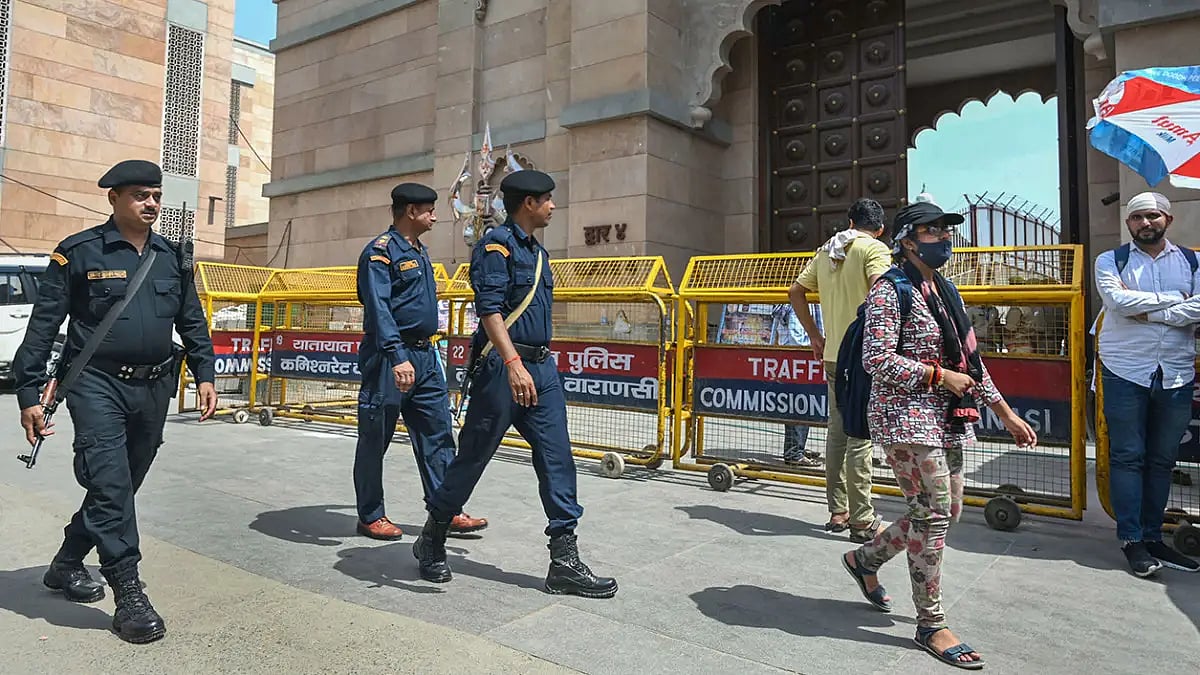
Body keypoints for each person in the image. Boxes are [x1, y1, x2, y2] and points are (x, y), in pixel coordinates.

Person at [13, 159, 219, 644]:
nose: (151, 204)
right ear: (114, 199)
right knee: (110, 484)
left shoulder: (173, 257)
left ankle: (65, 564)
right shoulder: (79, 253)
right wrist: (29, 394)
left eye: (156, 196)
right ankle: (128, 590)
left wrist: (205, 373)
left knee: (123, 485)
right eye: (140, 195)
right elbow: (43, 327)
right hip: (95, 385)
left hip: (153, 386)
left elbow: (191, 320)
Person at [840, 201, 1037, 670]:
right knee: (932, 516)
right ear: (907, 241)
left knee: (944, 510)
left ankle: (865, 560)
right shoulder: (890, 290)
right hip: (904, 415)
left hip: (947, 416)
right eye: (931, 231)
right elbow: (877, 360)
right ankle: (931, 622)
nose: (942, 239)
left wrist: (1004, 412)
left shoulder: (946, 290)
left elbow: (971, 363)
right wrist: (936, 376)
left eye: (945, 231)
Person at [411, 169, 618, 599]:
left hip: (541, 369)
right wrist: (511, 362)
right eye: (548, 200)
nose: (553, 206)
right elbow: (488, 310)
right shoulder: (494, 247)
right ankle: (433, 536)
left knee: (558, 458)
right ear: (528, 203)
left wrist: (532, 366)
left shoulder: (537, 251)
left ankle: (563, 561)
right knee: (472, 458)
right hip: (504, 370)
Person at [354, 182, 488, 540]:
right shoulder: (380, 253)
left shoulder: (420, 250)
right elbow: (379, 310)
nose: (435, 215)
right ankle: (370, 515)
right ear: (411, 211)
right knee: (374, 437)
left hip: (426, 356)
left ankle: (446, 508)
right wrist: (397, 356)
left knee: (438, 434)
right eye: (429, 210)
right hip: (390, 357)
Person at [1094, 191, 1200, 577]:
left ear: (1167, 220)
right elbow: (1118, 303)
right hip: (1125, 370)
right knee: (1127, 456)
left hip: (1175, 372)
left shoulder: (1192, 261)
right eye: (1137, 218)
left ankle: (1155, 537)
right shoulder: (1110, 260)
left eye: (1152, 216)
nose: (1144, 223)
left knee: (1161, 460)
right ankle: (1132, 540)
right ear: (1128, 224)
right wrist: (1175, 301)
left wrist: (1151, 313)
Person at [790, 198, 892, 541]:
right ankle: (862, 518)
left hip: (834, 353)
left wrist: (815, 336)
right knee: (860, 435)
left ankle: (838, 511)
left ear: (850, 221)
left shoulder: (827, 249)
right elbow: (881, 290)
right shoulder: (874, 248)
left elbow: (796, 291)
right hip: (863, 356)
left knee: (837, 432)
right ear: (879, 228)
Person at [771, 303, 818, 466]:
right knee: (799, 406)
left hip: (794, 360)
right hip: (799, 360)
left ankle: (798, 447)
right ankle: (794, 452)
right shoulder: (798, 305)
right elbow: (797, 338)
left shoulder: (793, 304)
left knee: (803, 405)